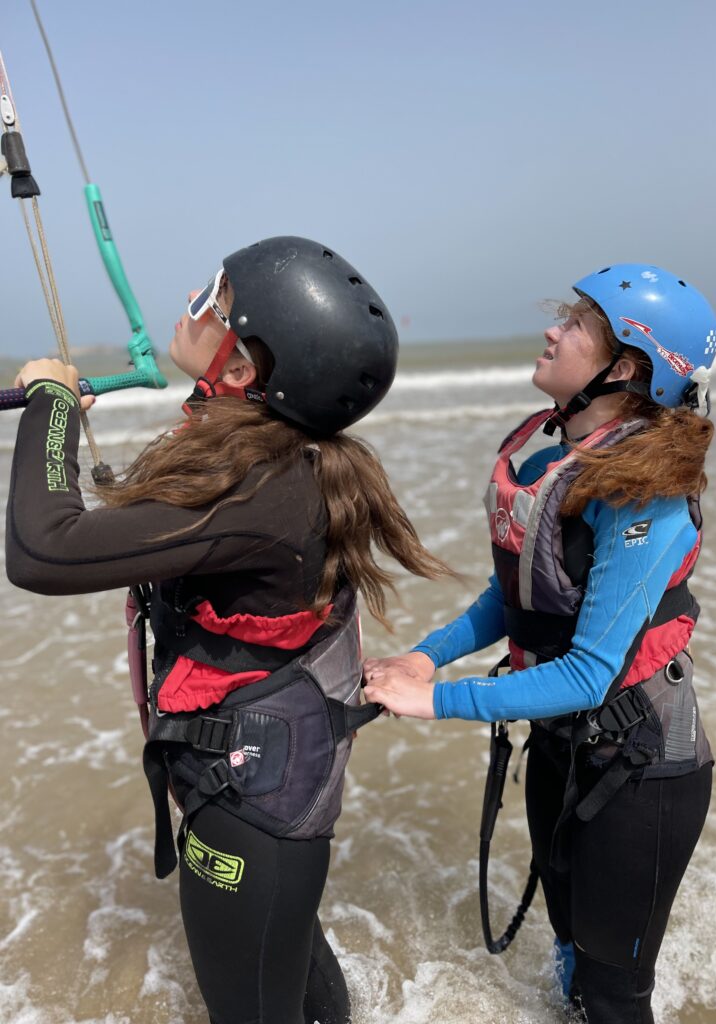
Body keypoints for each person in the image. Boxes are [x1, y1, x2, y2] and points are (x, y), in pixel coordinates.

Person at [5, 236, 455, 1024]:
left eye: (213, 297)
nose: (194, 301)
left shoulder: (261, 489)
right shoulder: (269, 461)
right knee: (286, 970)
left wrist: (46, 409)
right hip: (259, 789)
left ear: (243, 369)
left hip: (254, 808)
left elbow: (44, 549)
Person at [363, 263, 716, 1023]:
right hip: (562, 751)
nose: (552, 330)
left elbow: (591, 673)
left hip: (641, 770)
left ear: (624, 368)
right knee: (569, 955)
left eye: (576, 325)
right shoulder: (561, 462)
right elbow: (518, 599)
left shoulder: (644, 496)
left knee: (616, 996)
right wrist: (426, 654)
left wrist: (437, 700)